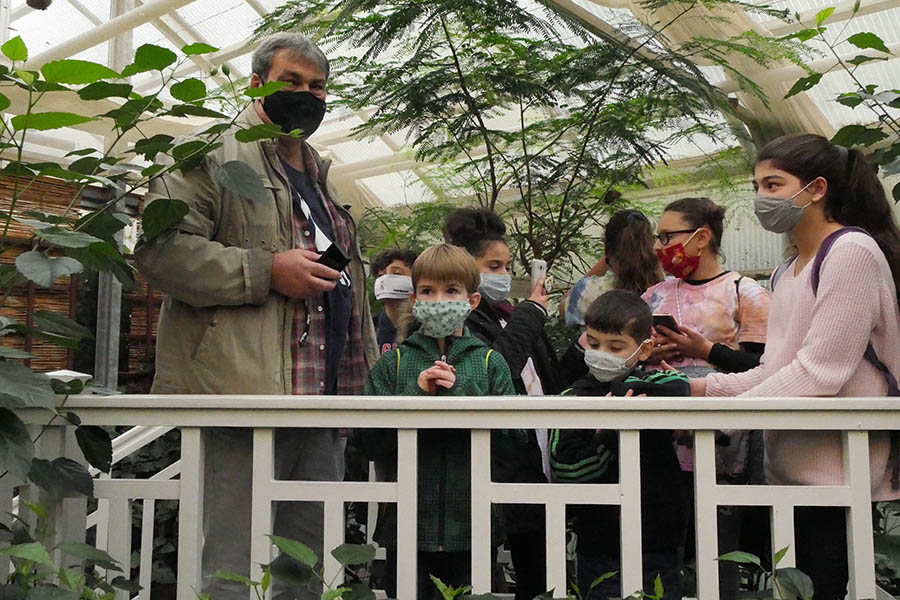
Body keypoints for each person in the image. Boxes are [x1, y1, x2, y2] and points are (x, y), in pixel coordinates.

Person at [134, 33, 378, 600]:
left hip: (323, 400)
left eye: (317, 86)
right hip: (242, 395)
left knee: (306, 561)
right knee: (233, 560)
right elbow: (160, 252)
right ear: (255, 83)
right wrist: (266, 270)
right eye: (290, 81)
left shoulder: (321, 175)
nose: (306, 95)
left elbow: (346, 284)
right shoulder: (207, 157)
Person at [693, 133, 900, 599]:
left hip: (839, 475)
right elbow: (774, 370)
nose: (760, 198)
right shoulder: (788, 269)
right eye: (757, 186)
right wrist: (692, 391)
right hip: (789, 470)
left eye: (773, 184)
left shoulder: (850, 252)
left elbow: (820, 371)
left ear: (817, 189)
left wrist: (723, 419)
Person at [364, 243, 515, 599]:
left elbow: (514, 442)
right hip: (407, 525)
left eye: (451, 291)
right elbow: (367, 441)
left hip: (473, 525)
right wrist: (416, 399)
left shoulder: (491, 362)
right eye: (428, 291)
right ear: (414, 299)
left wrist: (463, 397)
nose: (438, 300)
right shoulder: (394, 364)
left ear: (471, 300)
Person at [641, 196, 770, 599]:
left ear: (701, 238)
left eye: (668, 237)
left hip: (724, 446)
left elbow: (762, 368)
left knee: (722, 551)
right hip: (663, 442)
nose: (660, 247)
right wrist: (649, 357)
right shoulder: (653, 296)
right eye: (657, 238)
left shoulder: (745, 293)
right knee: (664, 546)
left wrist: (705, 351)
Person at [443, 208, 561, 600]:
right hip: (490, 464)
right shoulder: (460, 323)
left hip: (532, 463)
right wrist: (532, 313)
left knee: (539, 574)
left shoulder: (511, 315)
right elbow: (496, 369)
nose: (504, 274)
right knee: (475, 574)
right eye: (494, 265)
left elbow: (551, 381)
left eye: (508, 265)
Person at [550, 290, 689, 600]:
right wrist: (608, 432)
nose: (602, 353)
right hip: (600, 542)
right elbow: (567, 469)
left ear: (644, 350)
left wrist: (623, 399)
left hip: (658, 541)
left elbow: (679, 387)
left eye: (615, 347)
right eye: (594, 343)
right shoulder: (572, 398)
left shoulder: (652, 387)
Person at [559, 208, 664, 384]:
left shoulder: (588, 291)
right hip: (653, 385)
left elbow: (564, 309)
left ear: (607, 249)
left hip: (597, 385)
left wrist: (605, 257)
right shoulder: (667, 292)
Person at [371, 248, 419, 354]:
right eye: (380, 276)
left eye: (396, 273)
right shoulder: (369, 328)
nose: (385, 280)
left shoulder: (425, 327)